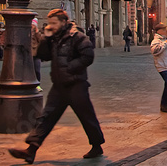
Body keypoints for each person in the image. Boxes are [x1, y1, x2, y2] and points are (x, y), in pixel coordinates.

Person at [8, 9, 104, 163]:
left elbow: (88, 56)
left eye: (54, 23)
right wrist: (46, 38)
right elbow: (44, 56)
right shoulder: (54, 38)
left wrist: (70, 67)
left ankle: (97, 145)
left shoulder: (77, 36)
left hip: (76, 84)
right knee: (46, 116)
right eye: (49, 23)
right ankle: (31, 150)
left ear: (64, 22)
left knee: (86, 116)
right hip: (59, 86)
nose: (51, 26)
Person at [31, 18, 44, 88]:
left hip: (36, 54)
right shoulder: (27, 32)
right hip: (28, 54)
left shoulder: (38, 33)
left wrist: (36, 32)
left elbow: (41, 40)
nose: (32, 26)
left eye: (33, 25)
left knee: (37, 70)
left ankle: (37, 84)